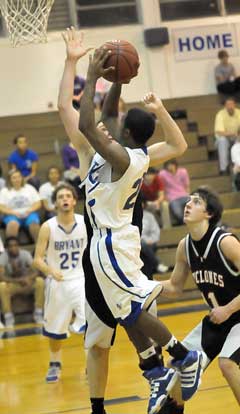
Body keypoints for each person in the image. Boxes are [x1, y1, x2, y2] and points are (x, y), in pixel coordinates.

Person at [59, 28, 203, 414]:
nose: (113, 124)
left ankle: (183, 356)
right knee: (128, 311)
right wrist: (117, 82)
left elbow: (90, 124)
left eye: (119, 126)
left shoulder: (122, 157)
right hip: (112, 241)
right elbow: (106, 115)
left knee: (134, 310)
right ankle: (157, 373)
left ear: (126, 135)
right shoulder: (124, 152)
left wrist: (90, 75)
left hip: (111, 242)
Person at [160, 186, 240, 410]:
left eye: (196, 202)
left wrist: (228, 309)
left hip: (238, 316)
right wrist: (140, 286)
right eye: (188, 200)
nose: (187, 204)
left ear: (209, 214)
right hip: (218, 321)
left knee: (227, 364)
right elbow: (175, 288)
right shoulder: (184, 246)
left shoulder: (225, 242)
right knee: (177, 366)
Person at [33, 183, 87, 383]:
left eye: (68, 196)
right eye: (60, 197)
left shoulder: (84, 223)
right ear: (55, 203)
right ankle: (55, 364)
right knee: (55, 330)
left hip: (81, 280)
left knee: (91, 327)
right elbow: (37, 259)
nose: (64, 199)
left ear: (74, 200)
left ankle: (91, 364)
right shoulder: (48, 227)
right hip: (57, 282)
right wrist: (50, 270)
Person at [0, 236, 44, 327]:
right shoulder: (3, 257)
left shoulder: (25, 254)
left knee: (40, 281)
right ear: (7, 248)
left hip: (27, 283)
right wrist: (18, 280)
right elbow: (1, 277)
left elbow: (36, 271)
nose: (13, 248)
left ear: (19, 246)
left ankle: (38, 313)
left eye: (15, 245)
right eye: (10, 246)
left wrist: (28, 278)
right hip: (14, 284)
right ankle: (8, 317)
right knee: (2, 286)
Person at [0, 170, 41, 242]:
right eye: (14, 177)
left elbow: (38, 203)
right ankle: (11, 247)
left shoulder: (29, 188)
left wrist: (30, 210)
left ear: (22, 178)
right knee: (12, 224)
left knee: (34, 224)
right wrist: (13, 212)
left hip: (29, 213)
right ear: (10, 179)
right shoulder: (4, 191)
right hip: (12, 215)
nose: (17, 179)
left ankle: (41, 249)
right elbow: (1, 207)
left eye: (19, 177)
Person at [141, 195, 169, 279]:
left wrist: (150, 240)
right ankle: (157, 263)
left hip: (149, 243)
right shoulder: (129, 218)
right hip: (135, 244)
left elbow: (156, 232)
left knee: (143, 247)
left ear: (143, 204)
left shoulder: (149, 216)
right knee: (141, 246)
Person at [159, 159, 190, 225]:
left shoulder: (183, 172)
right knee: (177, 212)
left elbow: (187, 185)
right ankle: (184, 222)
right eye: (168, 165)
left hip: (184, 195)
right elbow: (162, 187)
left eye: (172, 165)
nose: (170, 167)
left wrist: (188, 194)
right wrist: (166, 197)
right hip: (173, 198)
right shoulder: (162, 174)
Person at [214, 97, 240, 175]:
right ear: (225, 106)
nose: (230, 106)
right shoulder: (220, 114)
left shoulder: (239, 113)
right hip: (224, 138)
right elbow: (219, 132)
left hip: (236, 137)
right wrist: (234, 134)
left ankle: (237, 166)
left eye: (231, 104)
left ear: (235, 105)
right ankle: (223, 169)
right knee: (222, 141)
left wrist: (237, 136)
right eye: (228, 104)